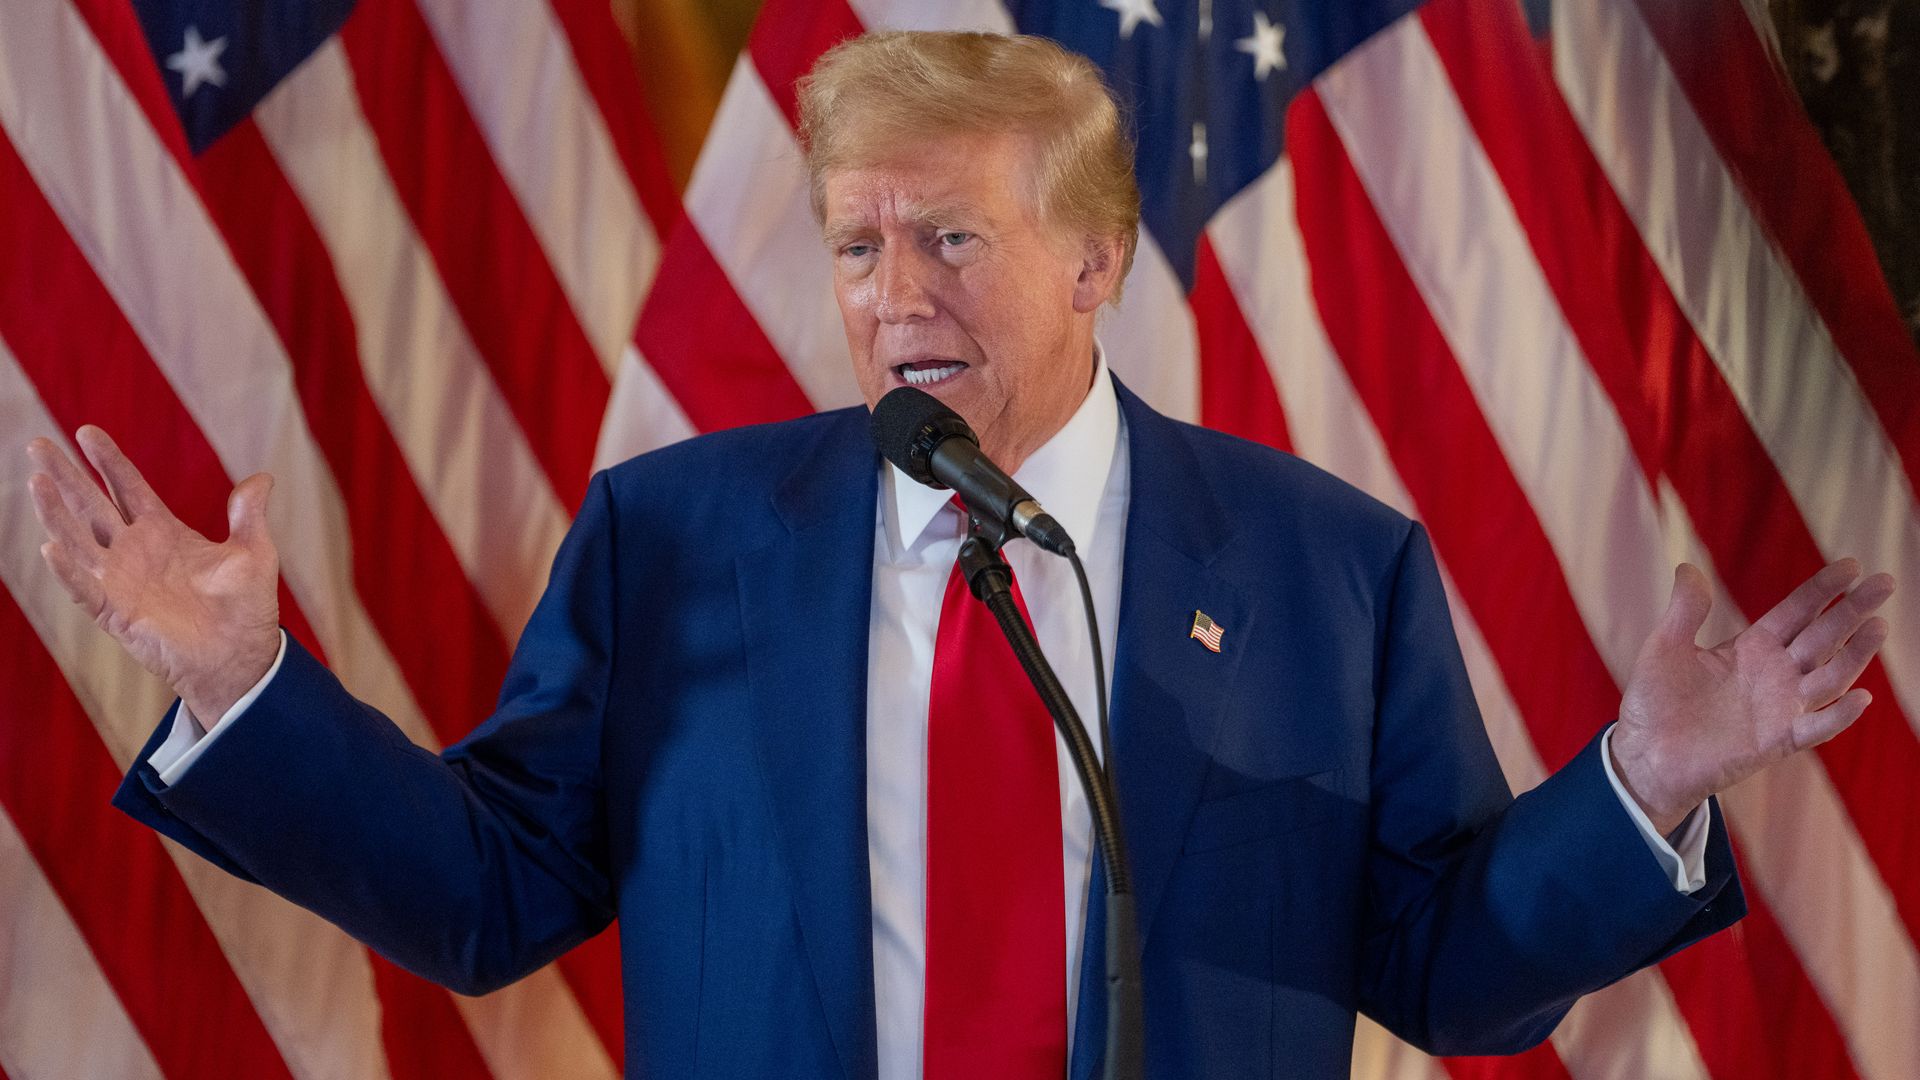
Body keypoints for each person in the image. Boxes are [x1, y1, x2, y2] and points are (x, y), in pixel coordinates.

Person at [24, 30, 1893, 1080]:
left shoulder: (1332, 568)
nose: (891, 299)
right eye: (856, 248)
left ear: (1096, 259)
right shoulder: (676, 542)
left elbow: (1456, 974)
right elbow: (488, 894)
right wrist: (237, 686)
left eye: (948, 245)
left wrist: (1645, 781)